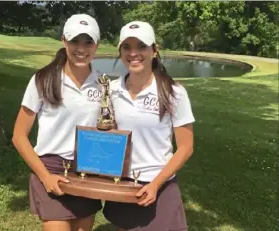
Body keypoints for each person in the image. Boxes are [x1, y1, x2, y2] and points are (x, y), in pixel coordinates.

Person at [12, 14, 103, 231]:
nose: (81, 48)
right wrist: (45, 176)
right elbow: (19, 136)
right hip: (50, 168)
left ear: (97, 45)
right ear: (64, 41)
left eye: (88, 41)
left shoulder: (103, 83)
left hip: (87, 171)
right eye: (75, 41)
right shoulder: (42, 79)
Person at [103, 21, 195, 231]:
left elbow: (186, 147)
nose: (133, 53)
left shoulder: (174, 92)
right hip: (124, 183)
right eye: (127, 47)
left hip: (160, 184)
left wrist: (155, 184)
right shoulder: (111, 89)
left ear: (154, 50)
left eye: (141, 46)